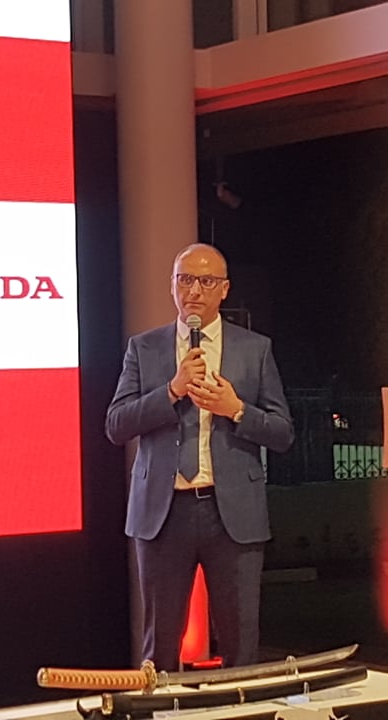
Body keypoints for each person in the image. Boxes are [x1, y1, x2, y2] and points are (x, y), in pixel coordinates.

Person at [105, 243, 294, 671]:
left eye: (206, 281)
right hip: (163, 512)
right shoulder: (144, 348)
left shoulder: (254, 349)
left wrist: (237, 409)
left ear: (224, 290)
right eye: (185, 279)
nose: (194, 291)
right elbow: (116, 425)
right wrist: (171, 391)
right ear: (172, 286)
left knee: (241, 644)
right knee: (160, 646)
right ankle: (163, 707)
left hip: (232, 514)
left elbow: (283, 433)